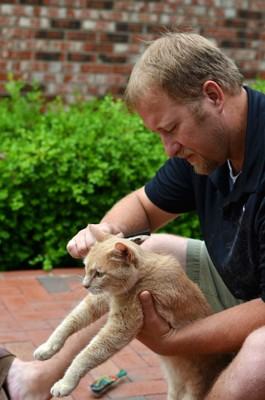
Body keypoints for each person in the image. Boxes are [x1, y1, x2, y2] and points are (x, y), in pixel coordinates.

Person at [2, 31, 265, 399]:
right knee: (147, 253)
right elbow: (142, 206)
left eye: (171, 129)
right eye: (159, 134)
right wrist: (110, 235)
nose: (169, 148)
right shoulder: (206, 147)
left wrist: (174, 340)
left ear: (213, 95)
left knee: (259, 357)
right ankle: (35, 381)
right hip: (242, 285)